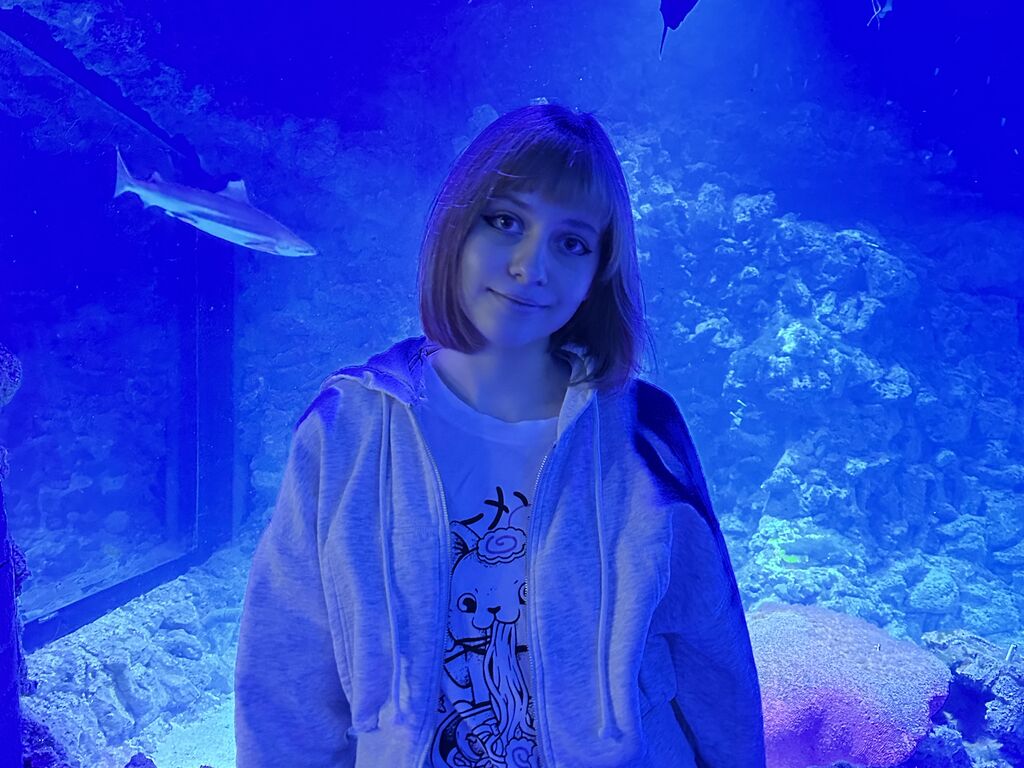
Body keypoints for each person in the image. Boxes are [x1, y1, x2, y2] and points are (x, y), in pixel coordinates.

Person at [234, 103, 766, 767]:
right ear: (457, 225)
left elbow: (714, 658)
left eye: (571, 242)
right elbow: (285, 678)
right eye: (506, 221)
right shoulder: (347, 429)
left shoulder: (644, 433)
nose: (529, 265)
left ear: (598, 271)